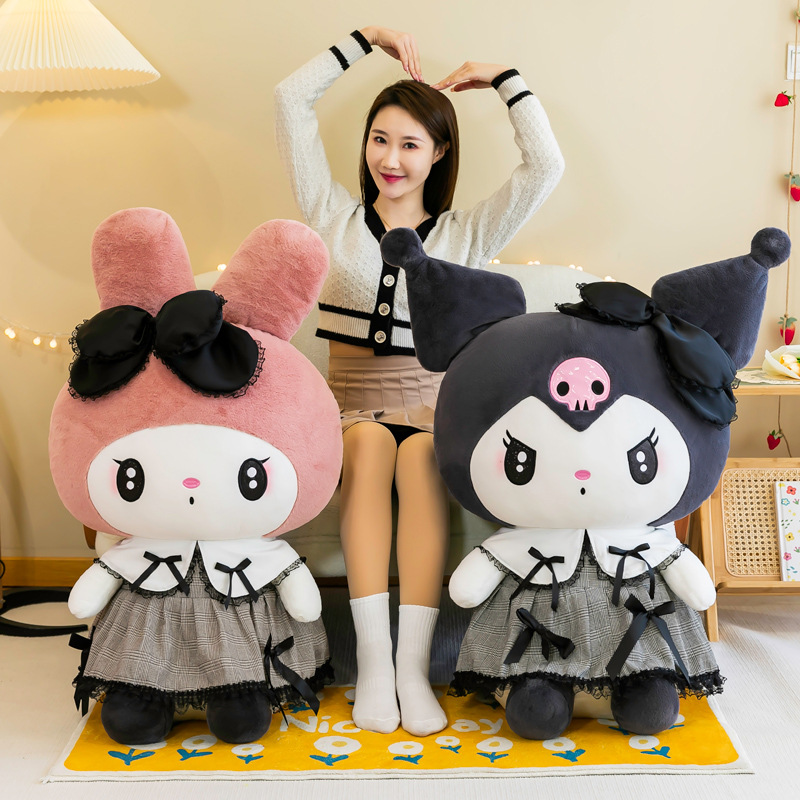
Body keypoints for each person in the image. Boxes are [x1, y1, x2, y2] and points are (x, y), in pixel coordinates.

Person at [274, 25, 564, 736]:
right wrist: (361, 40)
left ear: (438, 154)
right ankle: (376, 663)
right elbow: (289, 100)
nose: (390, 159)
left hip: (435, 404)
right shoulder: (332, 215)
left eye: (410, 144)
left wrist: (507, 80)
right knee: (373, 448)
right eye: (380, 140)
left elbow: (545, 167)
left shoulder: (469, 234)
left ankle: (412, 666)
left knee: (421, 456)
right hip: (350, 404)